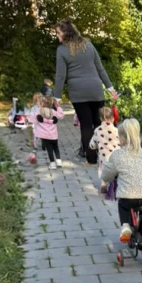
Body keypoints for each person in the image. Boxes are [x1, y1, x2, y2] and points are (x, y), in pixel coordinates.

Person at [53, 18, 117, 162]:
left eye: (58, 33)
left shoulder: (62, 50)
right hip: (95, 90)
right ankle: (104, 154)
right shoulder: (88, 44)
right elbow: (100, 68)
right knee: (98, 122)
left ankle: (91, 157)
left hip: (78, 92)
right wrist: (110, 88)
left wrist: (57, 97)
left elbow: (60, 76)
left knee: (86, 125)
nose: (57, 36)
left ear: (66, 33)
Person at [100, 118, 142, 243]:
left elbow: (106, 176)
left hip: (127, 197)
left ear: (122, 139)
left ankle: (126, 226)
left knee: (122, 205)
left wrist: (108, 179)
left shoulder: (117, 155)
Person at [27, 96, 64, 170]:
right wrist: (58, 107)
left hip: (44, 135)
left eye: (38, 103)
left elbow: (32, 119)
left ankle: (52, 163)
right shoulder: (53, 112)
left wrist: (27, 117)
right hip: (53, 135)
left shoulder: (38, 112)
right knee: (56, 147)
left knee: (49, 149)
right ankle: (59, 161)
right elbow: (61, 116)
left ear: (41, 104)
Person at [89, 106, 121, 191]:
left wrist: (95, 146)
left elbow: (92, 145)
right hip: (115, 157)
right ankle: (116, 184)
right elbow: (121, 142)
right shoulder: (116, 130)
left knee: (103, 169)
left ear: (100, 119)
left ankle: (103, 184)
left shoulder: (97, 130)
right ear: (112, 119)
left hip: (104, 157)